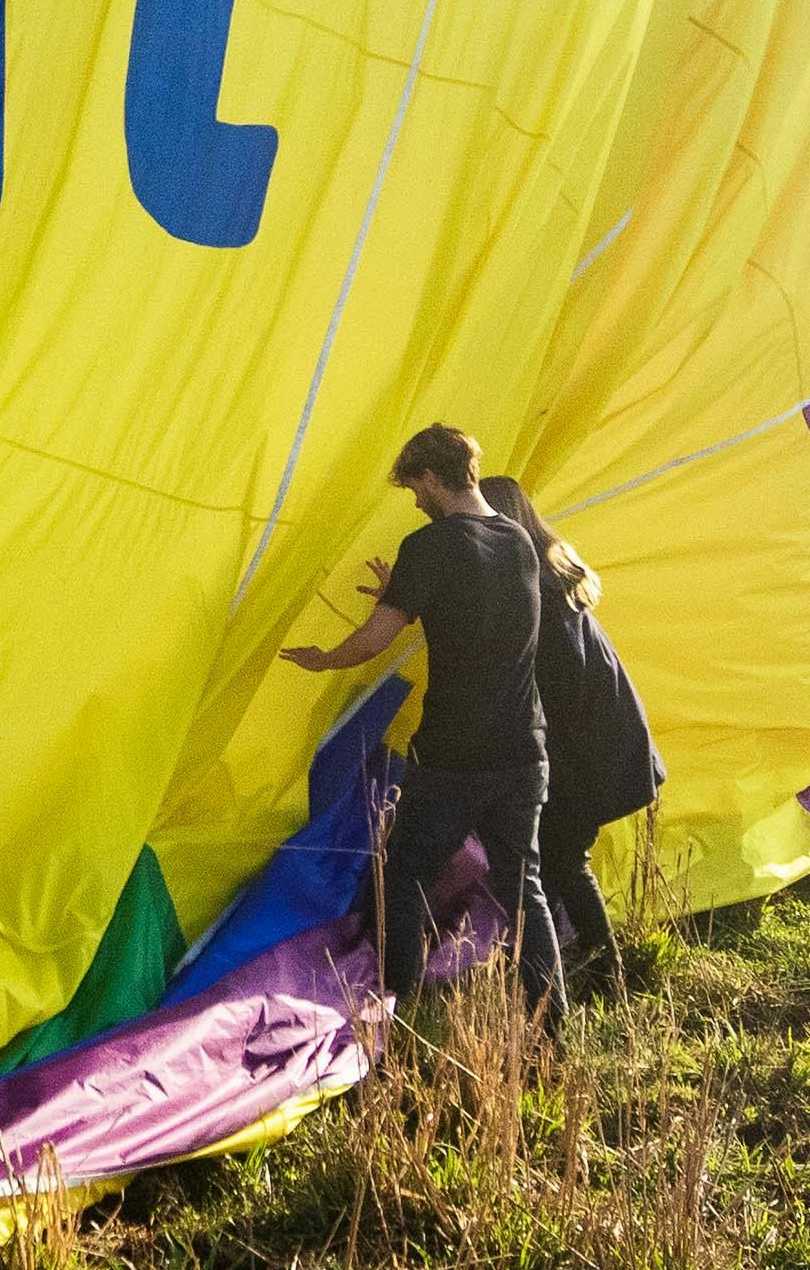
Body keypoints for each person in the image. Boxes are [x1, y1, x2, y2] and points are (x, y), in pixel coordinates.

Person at [280, 424, 565, 1018]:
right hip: (525, 749)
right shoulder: (518, 540)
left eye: (414, 488)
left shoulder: (429, 547)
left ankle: (400, 1009)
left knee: (404, 875)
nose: (414, 502)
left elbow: (374, 639)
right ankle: (553, 1017)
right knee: (523, 886)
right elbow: (477, 607)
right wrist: (406, 590)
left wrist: (325, 658)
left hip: (455, 755)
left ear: (433, 478)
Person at [482, 471, 661, 985]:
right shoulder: (551, 576)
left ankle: (604, 967)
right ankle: (580, 958)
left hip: (588, 752)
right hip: (602, 743)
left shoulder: (536, 592)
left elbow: (559, 683)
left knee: (561, 857)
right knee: (557, 855)